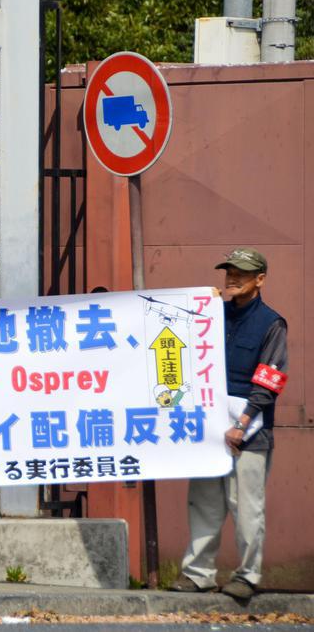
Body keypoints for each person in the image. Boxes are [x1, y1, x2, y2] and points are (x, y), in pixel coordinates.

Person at [170, 247, 287, 601]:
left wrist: (244, 422)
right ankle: (198, 574)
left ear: (260, 279)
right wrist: (198, 307)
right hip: (209, 427)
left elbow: (270, 379)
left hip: (249, 432)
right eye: (229, 272)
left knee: (246, 506)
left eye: (241, 273)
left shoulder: (272, 323)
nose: (232, 278)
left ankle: (247, 576)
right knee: (203, 502)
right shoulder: (211, 317)